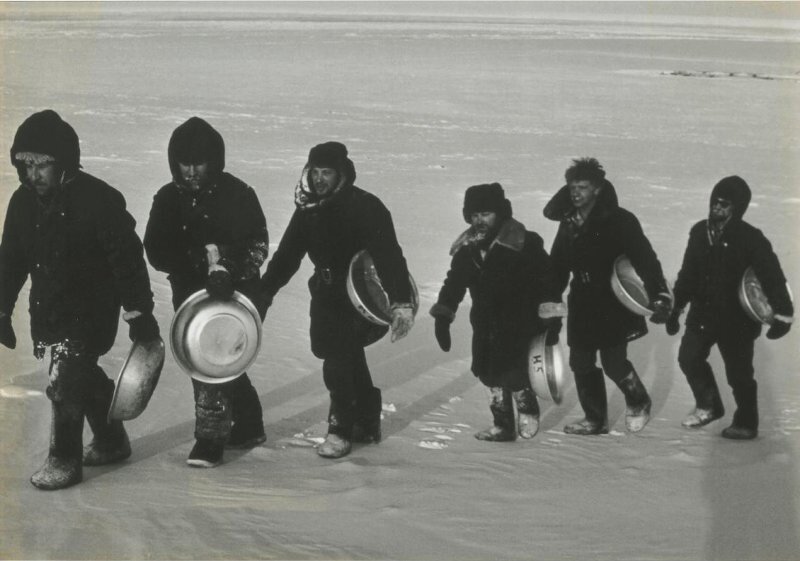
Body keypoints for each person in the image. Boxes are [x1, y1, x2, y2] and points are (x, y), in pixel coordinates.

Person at [0, 110, 160, 490]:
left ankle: (64, 460)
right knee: (82, 376)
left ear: (64, 163)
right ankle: (111, 439)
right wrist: (2, 308)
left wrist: (139, 312)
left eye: (42, 165)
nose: (33, 175)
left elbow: (127, 261)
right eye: (26, 166)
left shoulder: (98, 201)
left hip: (91, 310)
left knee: (66, 380)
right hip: (49, 307)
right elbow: (11, 261)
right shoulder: (22, 204)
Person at [259, 141, 415, 459]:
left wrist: (401, 302)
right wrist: (263, 293)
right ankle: (367, 421)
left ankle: (340, 429)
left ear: (341, 174)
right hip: (326, 293)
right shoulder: (308, 209)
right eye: (315, 172)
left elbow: (388, 256)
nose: (319, 179)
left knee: (338, 361)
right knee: (345, 355)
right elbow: (287, 256)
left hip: (361, 295)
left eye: (327, 172)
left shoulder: (366, 207)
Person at [143, 117, 270, 468]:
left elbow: (258, 243)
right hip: (191, 295)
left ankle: (210, 439)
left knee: (213, 359)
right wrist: (197, 261)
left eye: (199, 163)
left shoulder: (238, 194)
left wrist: (227, 268)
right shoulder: (168, 198)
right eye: (184, 163)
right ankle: (250, 423)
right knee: (216, 359)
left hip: (237, 296)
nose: (191, 171)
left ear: (214, 161)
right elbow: (155, 248)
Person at [543, 157, 671, 435]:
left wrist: (659, 293)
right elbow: (558, 266)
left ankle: (639, 399)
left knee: (613, 363)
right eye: (572, 187)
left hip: (613, 300)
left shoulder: (621, 220)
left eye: (583, 187)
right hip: (582, 300)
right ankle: (595, 419)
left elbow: (645, 259)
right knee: (580, 362)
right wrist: (550, 302)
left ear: (598, 189)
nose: (576, 193)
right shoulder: (568, 222)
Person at [430, 183, 562, 441]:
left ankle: (526, 405)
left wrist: (551, 319)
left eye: (486, 214)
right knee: (487, 372)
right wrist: (444, 315)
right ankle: (502, 425)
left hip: (520, 320)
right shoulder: (467, 249)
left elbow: (548, 282)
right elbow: (454, 283)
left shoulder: (524, 243)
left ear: (500, 214)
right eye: (475, 215)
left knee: (514, 372)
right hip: (484, 322)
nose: (480, 220)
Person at [666, 175, 793, 440]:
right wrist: (676, 308)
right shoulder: (699, 232)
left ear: (738, 208)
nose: (717, 207)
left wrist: (782, 314)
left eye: (724, 204)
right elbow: (688, 274)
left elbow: (771, 276)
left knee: (739, 375)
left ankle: (746, 423)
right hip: (703, 313)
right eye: (715, 201)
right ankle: (709, 404)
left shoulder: (751, 238)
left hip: (737, 321)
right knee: (689, 358)